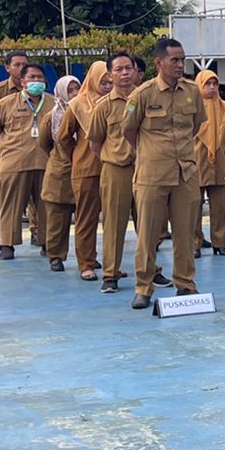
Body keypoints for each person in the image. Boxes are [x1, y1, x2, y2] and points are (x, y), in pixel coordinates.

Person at [119, 37, 206, 308]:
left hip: (185, 173)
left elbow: (195, 126)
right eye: (174, 60)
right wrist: (151, 154)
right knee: (148, 234)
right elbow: (129, 131)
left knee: (185, 233)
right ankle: (143, 287)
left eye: (182, 59)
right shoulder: (143, 94)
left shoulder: (192, 92)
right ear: (159, 63)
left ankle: (186, 284)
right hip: (152, 174)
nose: (180, 65)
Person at [0, 62, 54, 261]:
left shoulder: (53, 103)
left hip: (45, 162)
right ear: (23, 81)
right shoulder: (6, 104)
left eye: (39, 78)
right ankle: (7, 244)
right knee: (10, 205)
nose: (36, 81)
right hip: (14, 163)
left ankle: (46, 242)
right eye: (32, 78)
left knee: (47, 206)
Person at [87, 53, 139, 293]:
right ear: (110, 75)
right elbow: (95, 143)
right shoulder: (104, 106)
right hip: (116, 169)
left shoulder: (147, 98)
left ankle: (149, 270)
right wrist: (114, 158)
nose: (125, 73)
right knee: (114, 224)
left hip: (146, 168)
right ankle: (110, 274)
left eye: (129, 68)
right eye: (119, 69)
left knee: (151, 224)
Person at [55, 61, 109, 280]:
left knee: (114, 219)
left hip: (113, 168)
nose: (107, 86)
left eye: (109, 82)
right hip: (86, 169)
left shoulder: (115, 102)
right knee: (86, 219)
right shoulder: (77, 104)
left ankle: (110, 264)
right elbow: (63, 137)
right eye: (102, 82)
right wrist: (77, 156)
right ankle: (85, 264)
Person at [0, 49, 31, 249]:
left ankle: (37, 232)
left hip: (32, 151)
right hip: (4, 152)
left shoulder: (37, 91)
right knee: (1, 196)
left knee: (36, 196)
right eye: (16, 65)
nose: (20, 69)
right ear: (7, 68)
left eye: (24, 65)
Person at [38, 73, 80, 271]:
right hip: (59, 173)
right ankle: (55, 255)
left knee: (85, 219)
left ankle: (87, 257)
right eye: (70, 90)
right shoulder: (52, 117)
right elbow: (44, 143)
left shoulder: (86, 111)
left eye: (77, 88)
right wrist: (61, 157)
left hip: (83, 171)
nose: (74, 93)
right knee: (57, 218)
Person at [193, 69, 225, 257]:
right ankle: (195, 242)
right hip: (197, 159)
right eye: (207, 84)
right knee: (194, 204)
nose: (212, 88)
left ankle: (219, 242)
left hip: (220, 160)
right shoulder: (193, 106)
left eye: (215, 84)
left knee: (219, 205)